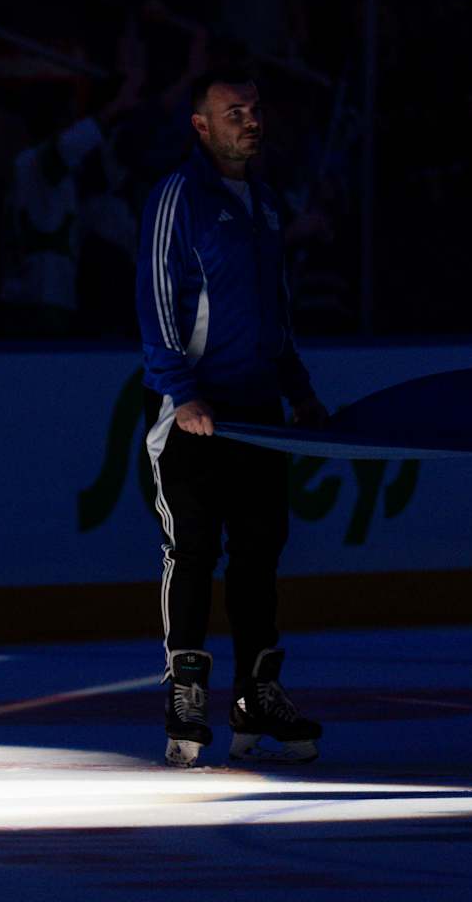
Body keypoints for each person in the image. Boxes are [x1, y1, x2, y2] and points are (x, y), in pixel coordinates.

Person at [136, 72, 329, 768]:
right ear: (200, 126)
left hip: (259, 417)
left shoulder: (268, 206)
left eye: (254, 110)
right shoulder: (179, 198)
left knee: (259, 553)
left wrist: (300, 392)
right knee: (190, 550)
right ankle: (185, 693)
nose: (249, 121)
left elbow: (276, 315)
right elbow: (156, 302)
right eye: (233, 113)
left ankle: (257, 691)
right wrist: (181, 394)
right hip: (191, 416)